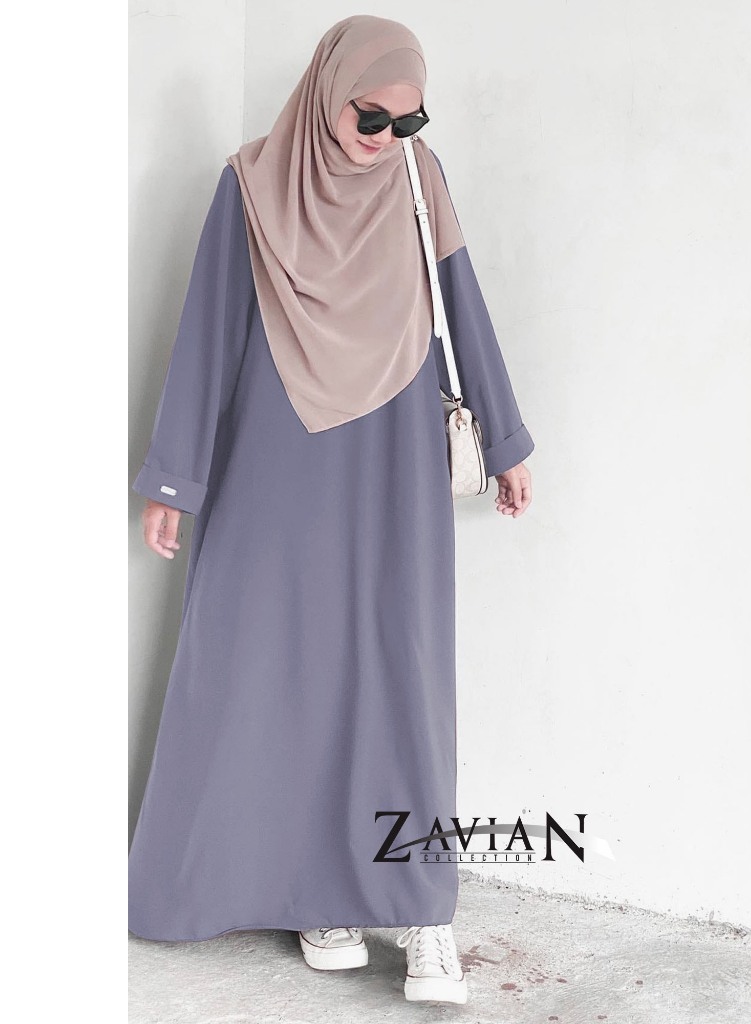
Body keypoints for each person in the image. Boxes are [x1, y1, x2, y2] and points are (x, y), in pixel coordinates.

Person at [128, 16, 534, 1007]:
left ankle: (426, 911)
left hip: (393, 450)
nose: (386, 136)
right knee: (278, 664)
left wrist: (508, 438)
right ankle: (322, 895)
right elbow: (209, 330)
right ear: (326, 92)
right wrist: (174, 478)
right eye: (370, 116)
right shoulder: (252, 185)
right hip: (275, 451)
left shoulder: (418, 178)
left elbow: (462, 301)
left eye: (409, 120)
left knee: (401, 668)